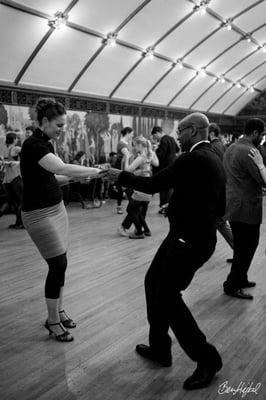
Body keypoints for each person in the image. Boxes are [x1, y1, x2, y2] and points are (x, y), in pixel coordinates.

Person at [107, 112, 225, 390]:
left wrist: (120, 175)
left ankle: (208, 359)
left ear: (195, 131)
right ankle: (160, 348)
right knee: (152, 283)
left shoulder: (193, 158)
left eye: (181, 131)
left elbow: (152, 184)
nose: (177, 136)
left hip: (188, 240)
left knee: (169, 297)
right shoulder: (213, 157)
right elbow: (220, 207)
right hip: (187, 237)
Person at [20, 98, 103, 342]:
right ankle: (52, 320)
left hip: (56, 209)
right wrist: (97, 171)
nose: (62, 129)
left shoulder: (46, 142)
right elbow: (63, 169)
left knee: (61, 263)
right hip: (39, 214)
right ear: (44, 122)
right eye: (59, 125)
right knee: (57, 265)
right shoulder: (34, 145)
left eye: (63, 125)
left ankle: (59, 310)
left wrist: (78, 178)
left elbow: (52, 178)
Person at [223, 118, 265, 300]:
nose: (262, 138)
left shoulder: (231, 148)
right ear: (255, 133)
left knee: (241, 246)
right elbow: (263, 180)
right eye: (262, 135)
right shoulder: (250, 151)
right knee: (247, 247)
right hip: (247, 207)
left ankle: (241, 278)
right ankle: (232, 284)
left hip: (233, 205)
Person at [118, 137, 159, 238]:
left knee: (131, 209)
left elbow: (128, 170)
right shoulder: (150, 154)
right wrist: (154, 151)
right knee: (141, 209)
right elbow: (157, 164)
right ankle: (145, 230)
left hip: (141, 185)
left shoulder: (141, 157)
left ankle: (139, 231)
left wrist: (127, 157)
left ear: (140, 145)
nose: (134, 147)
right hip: (149, 185)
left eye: (135, 145)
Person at [208, 124, 234, 259]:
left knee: (220, 222)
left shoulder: (213, 147)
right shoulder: (220, 145)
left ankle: (239, 251)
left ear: (211, 133)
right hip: (221, 188)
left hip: (217, 190)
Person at [151, 126, 179, 215]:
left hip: (165, 168)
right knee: (170, 188)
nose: (156, 138)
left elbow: (160, 155)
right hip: (173, 166)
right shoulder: (171, 138)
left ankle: (164, 207)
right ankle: (170, 206)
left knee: (163, 188)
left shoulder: (163, 140)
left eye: (155, 136)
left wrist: (155, 150)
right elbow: (177, 149)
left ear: (158, 132)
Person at [3, 132, 24, 229]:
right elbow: (28, 155)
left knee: (15, 203)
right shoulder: (16, 148)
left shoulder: (5, 149)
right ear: (14, 139)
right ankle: (21, 223)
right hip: (15, 178)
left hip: (7, 180)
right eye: (16, 138)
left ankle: (17, 223)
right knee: (21, 201)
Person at [114, 127, 133, 214]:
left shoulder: (127, 142)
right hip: (120, 167)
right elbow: (128, 155)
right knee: (121, 187)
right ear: (128, 133)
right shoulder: (121, 143)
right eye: (132, 133)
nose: (132, 135)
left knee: (128, 186)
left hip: (127, 166)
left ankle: (132, 205)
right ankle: (119, 206)